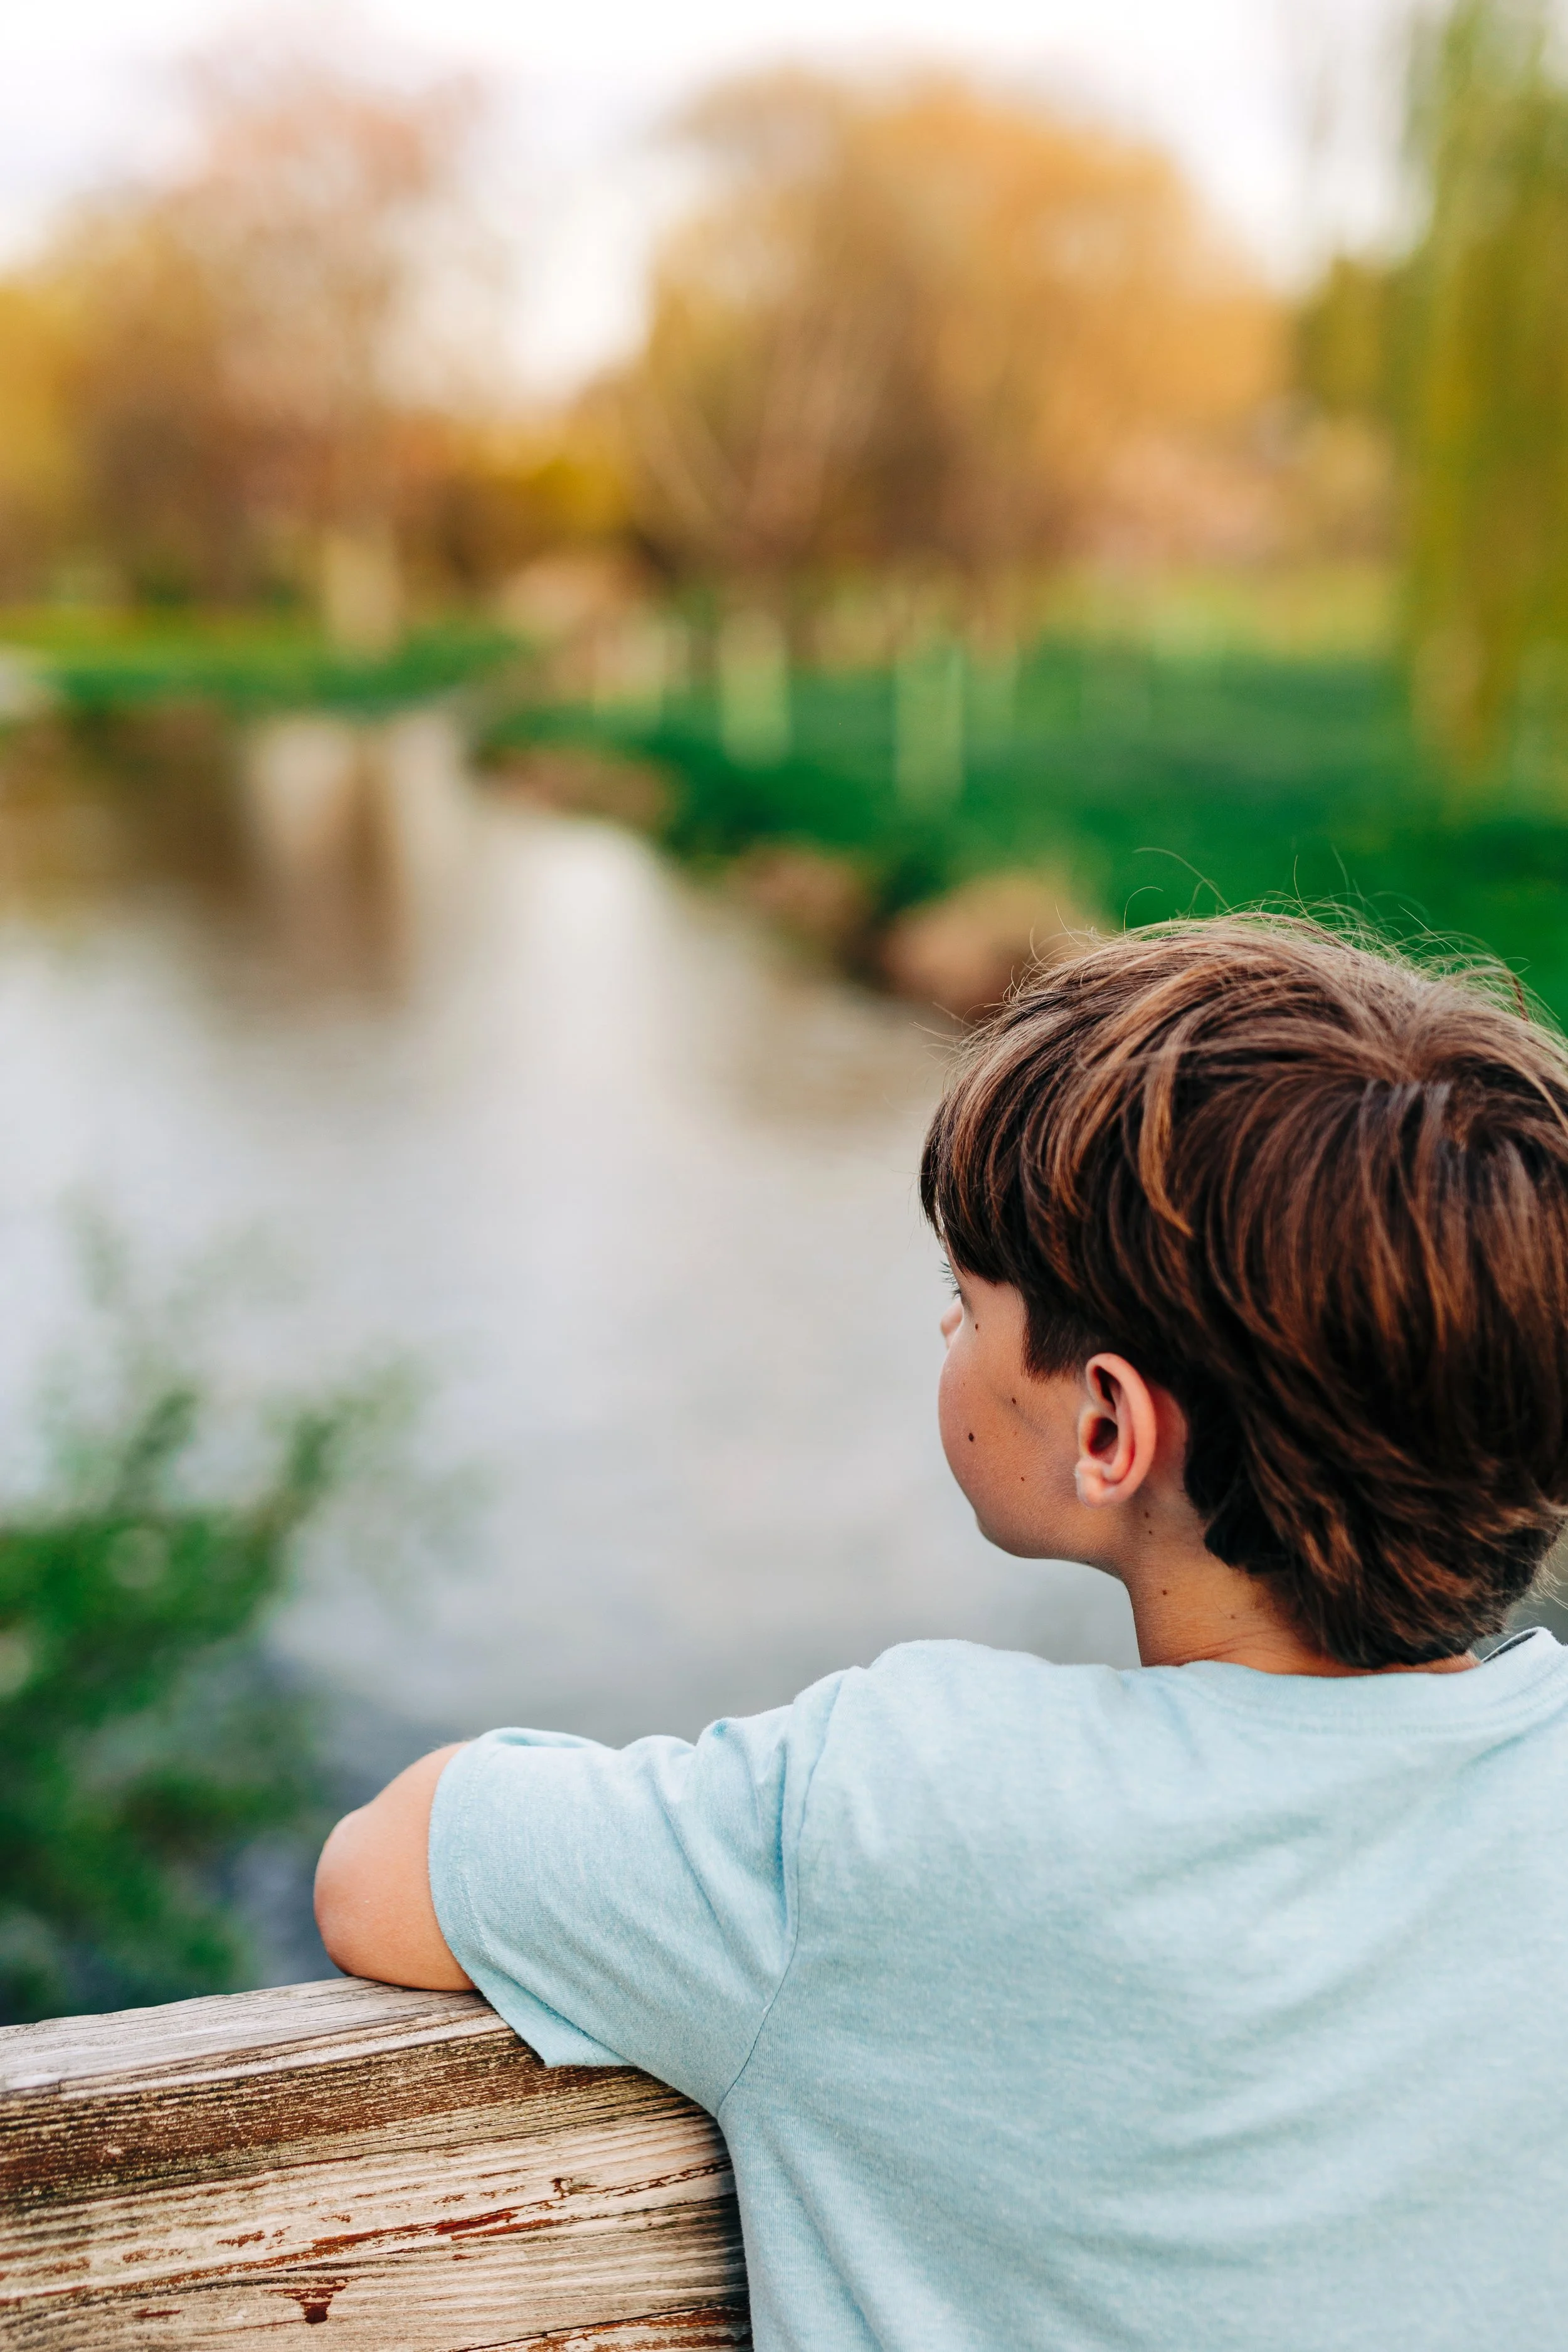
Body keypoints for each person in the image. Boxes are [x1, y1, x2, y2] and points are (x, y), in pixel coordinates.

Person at [315, 916, 1568, 2352]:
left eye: (961, 1304)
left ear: (1105, 1427)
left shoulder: (900, 1805)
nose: (942, 1343)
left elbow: (380, 1874)